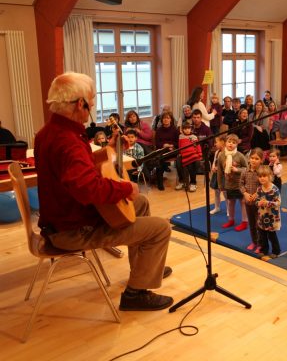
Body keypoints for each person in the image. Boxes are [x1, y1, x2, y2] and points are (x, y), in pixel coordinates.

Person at [36, 72, 173, 311]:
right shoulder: (67, 140)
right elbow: (87, 189)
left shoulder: (48, 133)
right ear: (81, 104)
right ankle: (135, 294)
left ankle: (144, 269)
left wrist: (107, 149)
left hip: (62, 220)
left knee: (140, 204)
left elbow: (77, 168)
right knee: (161, 228)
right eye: (92, 102)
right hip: (74, 230)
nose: (91, 108)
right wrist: (124, 187)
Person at [218, 134, 248, 230]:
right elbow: (219, 171)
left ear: (237, 144)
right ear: (225, 143)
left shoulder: (240, 155)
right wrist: (220, 185)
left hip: (240, 184)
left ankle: (244, 221)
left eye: (234, 142)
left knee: (243, 202)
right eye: (229, 142)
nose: (231, 144)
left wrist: (237, 170)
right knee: (230, 202)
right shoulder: (221, 155)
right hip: (229, 184)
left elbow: (247, 169)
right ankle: (231, 220)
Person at [255, 165, 281, 259]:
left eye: (264, 176)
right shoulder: (259, 189)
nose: (262, 178)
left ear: (270, 176)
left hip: (271, 217)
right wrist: (258, 203)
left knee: (271, 235)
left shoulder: (274, 189)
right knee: (262, 235)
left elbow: (278, 203)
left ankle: (276, 250)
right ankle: (264, 250)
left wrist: (268, 203)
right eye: (260, 176)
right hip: (262, 216)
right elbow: (256, 201)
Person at [240, 148, 263, 253]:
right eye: (252, 158)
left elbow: (265, 185)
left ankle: (260, 243)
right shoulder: (245, 171)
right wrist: (245, 193)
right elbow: (241, 184)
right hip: (248, 202)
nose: (253, 160)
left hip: (259, 204)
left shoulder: (262, 172)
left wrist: (256, 194)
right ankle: (254, 241)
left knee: (259, 224)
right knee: (252, 223)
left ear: (261, 160)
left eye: (256, 158)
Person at [154, 111, 179, 191]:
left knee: (160, 158)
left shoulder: (175, 130)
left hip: (172, 150)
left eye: (168, 118)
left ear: (171, 120)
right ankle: (160, 182)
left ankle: (159, 180)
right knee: (160, 158)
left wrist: (171, 145)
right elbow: (157, 143)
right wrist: (164, 145)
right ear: (162, 120)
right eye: (164, 118)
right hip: (162, 150)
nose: (166, 120)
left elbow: (177, 142)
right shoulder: (158, 130)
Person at [175, 122, 201, 192]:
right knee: (178, 162)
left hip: (193, 154)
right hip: (183, 154)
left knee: (191, 163)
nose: (187, 130)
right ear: (182, 130)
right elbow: (180, 146)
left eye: (188, 128)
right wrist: (180, 153)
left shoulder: (194, 137)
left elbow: (198, 146)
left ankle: (193, 182)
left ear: (191, 129)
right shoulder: (180, 136)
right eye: (185, 129)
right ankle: (182, 181)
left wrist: (199, 154)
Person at [209, 136, 226, 215]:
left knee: (225, 193)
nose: (215, 144)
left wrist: (219, 168)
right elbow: (214, 161)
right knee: (216, 192)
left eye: (216, 142)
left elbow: (226, 165)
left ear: (222, 142)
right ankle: (217, 207)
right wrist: (213, 167)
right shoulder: (217, 152)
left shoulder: (226, 152)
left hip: (223, 176)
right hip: (216, 174)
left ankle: (229, 210)